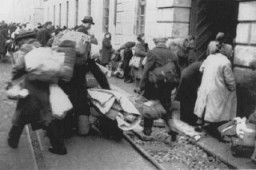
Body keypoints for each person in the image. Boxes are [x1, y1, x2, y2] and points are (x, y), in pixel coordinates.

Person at [7, 38, 67, 155]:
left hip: (30, 89)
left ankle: (12, 141)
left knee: (21, 116)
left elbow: (18, 69)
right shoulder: (46, 53)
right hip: (45, 90)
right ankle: (60, 147)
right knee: (47, 118)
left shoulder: (28, 54)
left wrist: (13, 79)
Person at [59, 16, 112, 138]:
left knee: (65, 105)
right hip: (79, 84)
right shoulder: (85, 59)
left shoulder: (65, 53)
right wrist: (107, 88)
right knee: (82, 106)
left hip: (64, 83)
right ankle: (83, 131)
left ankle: (65, 131)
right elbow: (97, 72)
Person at [139, 37, 180, 141]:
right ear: (164, 43)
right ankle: (172, 131)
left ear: (156, 42)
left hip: (153, 86)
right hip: (167, 87)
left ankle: (147, 133)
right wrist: (175, 85)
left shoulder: (152, 53)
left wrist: (142, 85)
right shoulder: (172, 54)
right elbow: (178, 71)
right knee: (167, 109)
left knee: (150, 108)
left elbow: (146, 70)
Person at [194, 41, 237, 131]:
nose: (232, 53)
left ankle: (200, 121)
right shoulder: (226, 62)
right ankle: (219, 122)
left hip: (206, 85)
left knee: (203, 102)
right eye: (231, 51)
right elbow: (229, 80)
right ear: (227, 51)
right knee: (230, 96)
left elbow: (201, 69)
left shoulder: (210, 57)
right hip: (217, 88)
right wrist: (233, 88)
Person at [175, 61, 203, 126]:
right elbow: (202, 78)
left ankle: (184, 118)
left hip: (185, 76)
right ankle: (190, 120)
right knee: (191, 99)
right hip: (188, 78)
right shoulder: (204, 65)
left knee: (185, 98)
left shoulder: (199, 63)